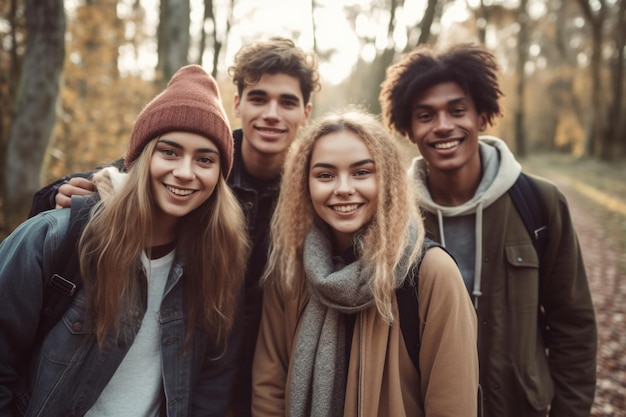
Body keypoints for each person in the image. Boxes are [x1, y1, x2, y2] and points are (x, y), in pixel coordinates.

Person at [28, 37, 320, 417]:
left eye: (287, 102)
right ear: (238, 103)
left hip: (264, 377)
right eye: (259, 98)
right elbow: (128, 175)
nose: (271, 113)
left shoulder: (315, 187)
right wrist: (58, 196)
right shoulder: (202, 155)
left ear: (306, 112)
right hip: (185, 366)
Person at [0, 64, 249, 416]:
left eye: (205, 159)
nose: (184, 171)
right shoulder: (54, 239)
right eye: (170, 152)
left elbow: (213, 379)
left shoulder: (219, 261)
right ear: (141, 158)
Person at [379, 43, 597, 417]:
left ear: (482, 116)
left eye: (457, 110)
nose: (444, 125)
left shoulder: (541, 203)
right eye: (426, 115)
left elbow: (573, 325)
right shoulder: (392, 217)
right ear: (409, 128)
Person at [252, 107, 479, 417]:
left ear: (387, 179)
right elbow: (269, 389)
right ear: (304, 185)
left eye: (361, 172)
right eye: (325, 175)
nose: (343, 189)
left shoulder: (431, 272)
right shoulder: (291, 271)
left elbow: (452, 406)